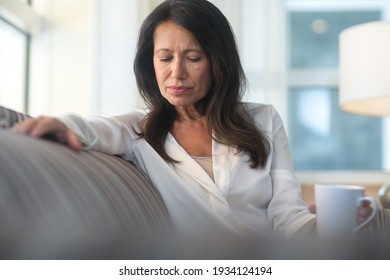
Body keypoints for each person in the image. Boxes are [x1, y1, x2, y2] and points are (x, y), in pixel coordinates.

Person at [12, 0, 370, 240]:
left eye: (193, 57)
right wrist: (60, 124)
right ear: (150, 65)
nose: (177, 73)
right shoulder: (139, 129)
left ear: (218, 62)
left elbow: (287, 215)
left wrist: (329, 226)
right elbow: (90, 128)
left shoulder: (263, 119)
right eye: (165, 58)